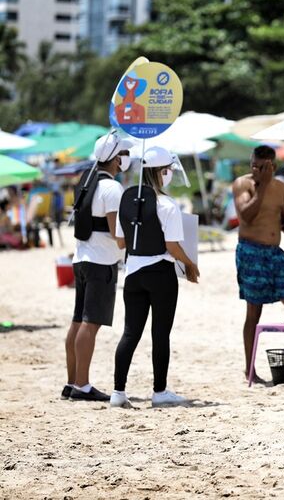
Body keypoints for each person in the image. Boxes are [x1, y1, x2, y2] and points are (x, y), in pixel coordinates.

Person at [111, 146, 199, 408]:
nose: (170, 173)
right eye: (169, 170)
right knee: (160, 334)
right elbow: (172, 245)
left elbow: (119, 242)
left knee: (130, 333)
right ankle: (159, 391)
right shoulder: (166, 205)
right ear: (162, 172)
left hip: (133, 274)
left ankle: (118, 392)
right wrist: (189, 263)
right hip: (161, 274)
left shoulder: (127, 200)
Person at [63, 133, 132, 401]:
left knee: (78, 321)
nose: (125, 159)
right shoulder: (112, 189)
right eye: (123, 154)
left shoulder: (85, 182)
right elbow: (117, 233)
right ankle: (82, 385)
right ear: (116, 158)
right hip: (101, 262)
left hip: (81, 259)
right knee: (90, 325)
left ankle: (71, 382)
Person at [232, 145, 284, 382]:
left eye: (262, 167)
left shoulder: (281, 187)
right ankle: (250, 370)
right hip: (251, 251)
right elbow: (246, 216)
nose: (256, 170)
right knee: (254, 311)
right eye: (253, 165)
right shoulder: (243, 184)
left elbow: (283, 223)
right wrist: (261, 186)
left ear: (272, 166)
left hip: (275, 252)